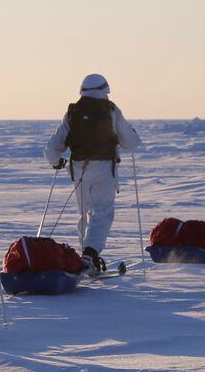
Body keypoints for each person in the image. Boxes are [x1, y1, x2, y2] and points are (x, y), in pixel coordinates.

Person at [44, 73, 142, 273]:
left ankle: (85, 258)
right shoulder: (111, 110)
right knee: (102, 212)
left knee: (85, 214)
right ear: (105, 89)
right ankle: (89, 256)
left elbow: (54, 145)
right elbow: (130, 142)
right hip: (105, 167)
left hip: (79, 168)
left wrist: (55, 162)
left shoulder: (73, 111)